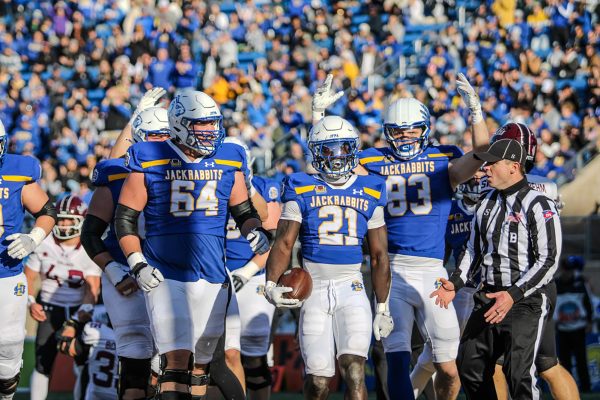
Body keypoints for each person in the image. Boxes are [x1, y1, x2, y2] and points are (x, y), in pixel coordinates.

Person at [114, 90, 271, 399]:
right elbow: (125, 218)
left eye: (213, 124)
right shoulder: (149, 155)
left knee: (201, 368)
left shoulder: (229, 156)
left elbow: (243, 212)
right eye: (202, 125)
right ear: (180, 124)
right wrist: (137, 262)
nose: (211, 131)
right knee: (175, 362)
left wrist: (254, 230)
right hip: (166, 272)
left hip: (213, 274)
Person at [356, 74, 490, 400]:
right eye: (398, 130)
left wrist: (476, 111)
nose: (404, 136)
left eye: (412, 129)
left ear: (425, 128)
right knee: (397, 354)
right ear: (387, 132)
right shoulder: (372, 161)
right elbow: (332, 167)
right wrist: (319, 121)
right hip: (391, 269)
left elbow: (483, 152)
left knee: (448, 367)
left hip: (433, 270)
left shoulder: (444, 159)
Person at [265, 116, 393, 400]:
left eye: (343, 149)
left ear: (353, 149)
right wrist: (270, 283)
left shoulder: (371, 187)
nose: (336, 157)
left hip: (352, 286)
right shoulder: (301, 185)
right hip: (315, 288)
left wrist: (383, 306)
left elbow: (379, 255)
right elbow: (285, 242)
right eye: (328, 149)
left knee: (355, 370)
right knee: (319, 382)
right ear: (316, 152)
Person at [431, 138, 562, 399]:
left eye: (493, 163)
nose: (485, 168)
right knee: (469, 366)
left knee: (519, 374)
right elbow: (473, 250)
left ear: (514, 166)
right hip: (488, 295)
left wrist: (512, 294)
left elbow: (549, 260)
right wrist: (455, 283)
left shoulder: (539, 204)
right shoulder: (486, 201)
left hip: (525, 300)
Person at [81, 103, 171, 400]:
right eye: (155, 136)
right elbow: (91, 233)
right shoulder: (116, 175)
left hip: (171, 275)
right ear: (140, 137)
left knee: (173, 360)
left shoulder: (188, 172)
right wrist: (113, 268)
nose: (161, 142)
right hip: (126, 273)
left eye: (166, 135)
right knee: (135, 358)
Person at [484, 122, 578, 400]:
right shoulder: (542, 184)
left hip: (526, 286)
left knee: (507, 366)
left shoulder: (534, 189)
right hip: (530, 283)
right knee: (546, 363)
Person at [410, 171, 484, 398]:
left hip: (493, 285)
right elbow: (441, 253)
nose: (476, 183)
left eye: (479, 179)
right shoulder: (451, 210)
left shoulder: (495, 204)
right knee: (440, 351)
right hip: (462, 288)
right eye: (471, 178)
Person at [0, 119, 56, 400]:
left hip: (5, 271)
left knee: (8, 343)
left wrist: (33, 237)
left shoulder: (16, 171)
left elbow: (47, 210)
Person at [25, 194, 101, 400]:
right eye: (61, 219)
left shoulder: (89, 247)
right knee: (42, 364)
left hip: (78, 309)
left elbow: (92, 289)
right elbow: (28, 277)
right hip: (49, 307)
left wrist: (75, 321)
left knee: (82, 364)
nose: (65, 224)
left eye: (70, 219)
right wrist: (31, 302)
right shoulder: (44, 242)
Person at [223, 137, 281, 400]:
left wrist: (246, 272)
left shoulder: (263, 187)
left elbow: (275, 238)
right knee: (222, 353)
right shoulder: (209, 185)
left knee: (255, 356)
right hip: (216, 274)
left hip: (253, 275)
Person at [58, 303, 119, 399]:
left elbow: (65, 346)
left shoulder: (97, 331)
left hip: (95, 393)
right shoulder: (140, 340)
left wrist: (75, 320)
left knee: (84, 366)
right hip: (121, 393)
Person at [555, 255, 592, 393]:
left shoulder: (580, 282)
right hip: (562, 329)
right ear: (562, 269)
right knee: (564, 363)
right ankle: (568, 390)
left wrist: (589, 321)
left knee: (581, 360)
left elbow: (587, 303)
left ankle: (586, 388)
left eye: (571, 270)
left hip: (579, 328)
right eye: (566, 270)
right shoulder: (556, 283)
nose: (569, 273)